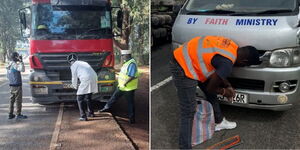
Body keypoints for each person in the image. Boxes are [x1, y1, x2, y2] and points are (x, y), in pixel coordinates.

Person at [170, 36, 260, 149]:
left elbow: (219, 72)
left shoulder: (232, 46)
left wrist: (228, 86)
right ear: (244, 61)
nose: (242, 66)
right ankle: (184, 147)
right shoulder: (227, 63)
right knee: (188, 110)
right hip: (182, 65)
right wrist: (225, 92)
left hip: (190, 59)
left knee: (211, 93)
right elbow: (210, 88)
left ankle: (219, 121)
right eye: (244, 65)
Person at [99, 50, 139, 124]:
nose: (121, 57)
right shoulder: (127, 63)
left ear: (127, 56)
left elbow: (132, 76)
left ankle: (132, 118)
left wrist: (125, 83)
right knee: (114, 98)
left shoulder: (132, 64)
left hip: (128, 88)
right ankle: (106, 108)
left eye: (122, 56)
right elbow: (123, 72)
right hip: (122, 87)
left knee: (130, 103)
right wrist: (113, 70)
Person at [69, 56, 98, 121]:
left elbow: (74, 77)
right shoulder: (83, 63)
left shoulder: (73, 66)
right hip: (94, 77)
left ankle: (83, 116)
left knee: (79, 98)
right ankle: (91, 113)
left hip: (86, 79)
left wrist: (74, 86)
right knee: (88, 97)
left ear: (71, 62)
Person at [6, 52, 27, 119]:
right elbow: (22, 70)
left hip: (11, 84)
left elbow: (7, 76)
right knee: (18, 100)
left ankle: (10, 113)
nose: (19, 57)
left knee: (11, 100)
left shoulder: (9, 64)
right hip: (17, 85)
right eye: (18, 56)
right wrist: (21, 62)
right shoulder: (14, 65)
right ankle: (18, 114)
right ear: (15, 57)